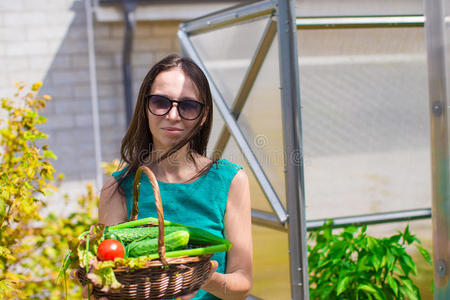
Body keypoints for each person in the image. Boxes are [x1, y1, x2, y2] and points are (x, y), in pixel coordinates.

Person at [93, 54, 252, 300]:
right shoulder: (118, 187)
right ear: (145, 106)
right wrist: (96, 285)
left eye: (188, 106)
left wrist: (204, 277)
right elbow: (108, 278)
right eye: (160, 102)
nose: (173, 115)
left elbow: (242, 283)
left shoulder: (230, 181)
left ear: (204, 115)